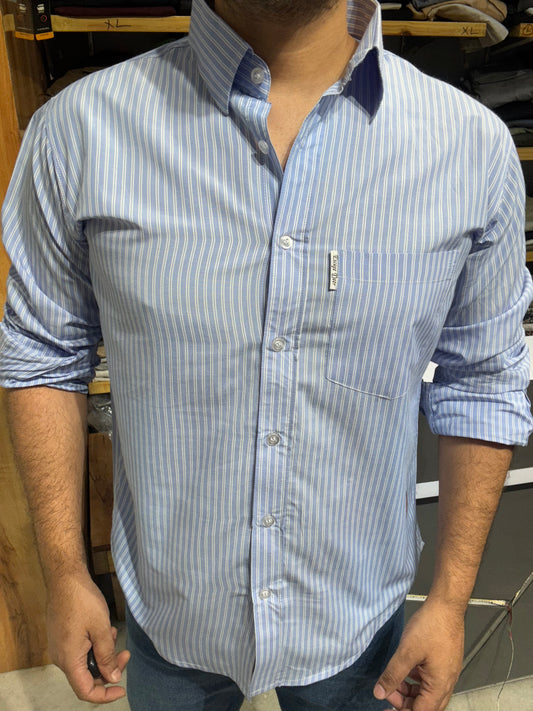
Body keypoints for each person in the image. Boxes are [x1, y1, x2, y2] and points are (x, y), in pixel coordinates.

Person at [1, 0, 532, 709]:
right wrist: (66, 571)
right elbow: (43, 351)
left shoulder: (471, 148)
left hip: (358, 621)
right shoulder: (78, 131)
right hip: (169, 612)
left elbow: (483, 379)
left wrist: (450, 597)